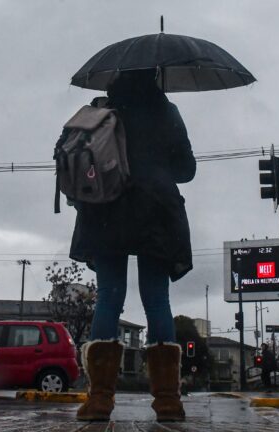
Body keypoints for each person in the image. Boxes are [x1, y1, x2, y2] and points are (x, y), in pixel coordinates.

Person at [69, 69, 196, 422]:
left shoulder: (103, 111)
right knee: (157, 300)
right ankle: (168, 402)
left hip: (106, 209)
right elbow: (187, 170)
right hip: (156, 212)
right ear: (153, 75)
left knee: (109, 297)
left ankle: (99, 401)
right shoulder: (167, 112)